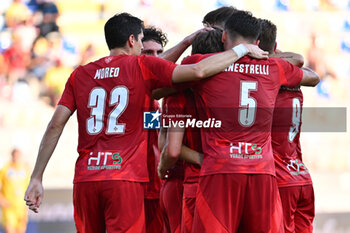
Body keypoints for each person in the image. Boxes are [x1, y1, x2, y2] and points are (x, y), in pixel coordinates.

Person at [24, 12, 268, 233]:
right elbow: (196, 72)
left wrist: (37, 176)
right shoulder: (141, 69)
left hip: (87, 179)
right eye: (142, 45)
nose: (147, 53)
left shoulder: (80, 74)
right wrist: (240, 50)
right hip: (127, 180)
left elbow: (56, 124)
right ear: (132, 41)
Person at [159, 10, 319, 233]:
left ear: (224, 36)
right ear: (257, 42)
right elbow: (312, 75)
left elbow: (157, 81)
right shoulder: (274, 67)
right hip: (262, 172)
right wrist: (265, 56)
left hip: (220, 170)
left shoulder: (205, 65)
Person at [158, 28, 224, 233]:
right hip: (226, 178)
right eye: (149, 53)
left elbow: (168, 146)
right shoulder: (234, 88)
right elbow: (163, 140)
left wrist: (162, 169)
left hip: (189, 181)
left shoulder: (175, 92)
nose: (154, 57)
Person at [259, 19, 315, 233]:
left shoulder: (264, 80)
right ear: (275, 47)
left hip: (278, 175)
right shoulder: (293, 78)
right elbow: (305, 67)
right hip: (300, 174)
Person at [0, 148, 30, 233]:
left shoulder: (25, 170)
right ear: (12, 156)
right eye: (15, 155)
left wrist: (27, 205)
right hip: (9, 207)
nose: (16, 158)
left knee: (21, 230)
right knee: (10, 230)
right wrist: (1, 199)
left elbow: (28, 188)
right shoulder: (5, 169)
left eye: (18, 156)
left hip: (21, 207)